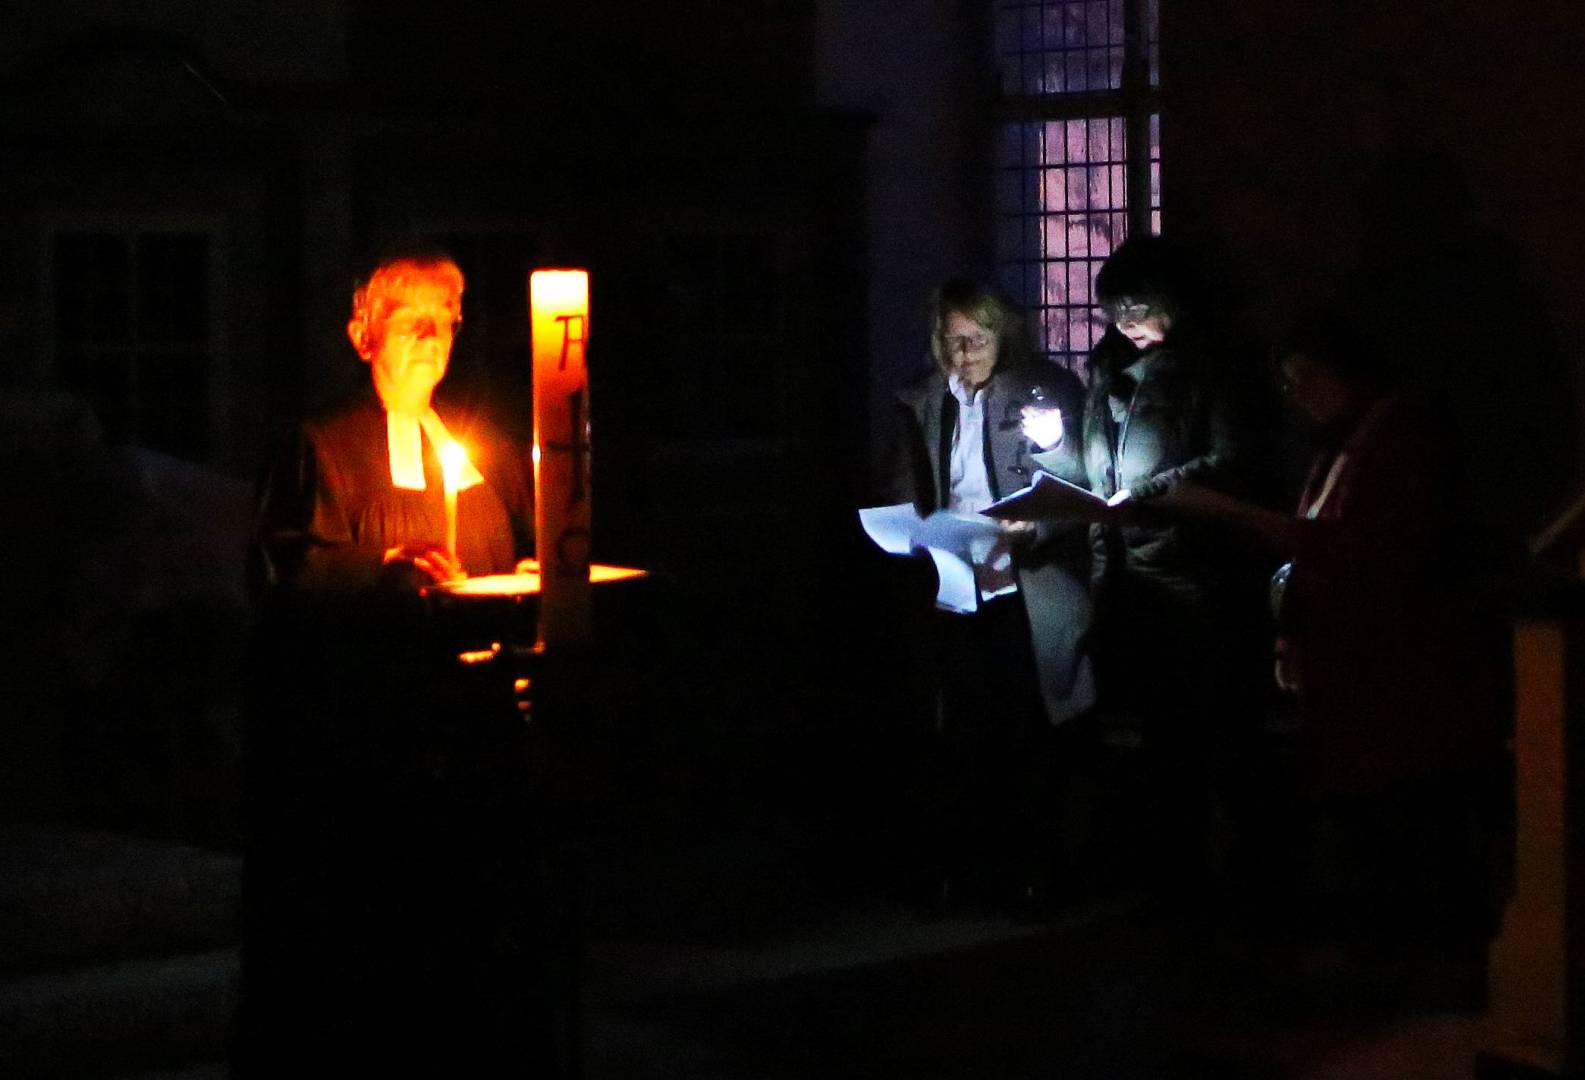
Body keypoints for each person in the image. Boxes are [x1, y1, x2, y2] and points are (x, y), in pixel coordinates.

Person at [240, 249, 560, 1074]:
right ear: (362, 335)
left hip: (472, 733)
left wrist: (532, 575)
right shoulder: (324, 443)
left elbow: (507, 551)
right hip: (368, 747)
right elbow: (289, 574)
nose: (428, 337)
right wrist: (380, 576)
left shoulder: (470, 446)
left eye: (443, 321)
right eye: (407, 319)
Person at [1152, 309, 1508, 985]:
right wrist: (1291, 633)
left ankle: (1415, 954)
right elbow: (1315, 538)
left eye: (1301, 379)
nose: (1292, 397)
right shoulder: (1337, 444)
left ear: (1342, 373)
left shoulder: (1396, 438)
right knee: (1355, 808)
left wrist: (1230, 513)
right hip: (1343, 662)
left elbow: (1359, 547)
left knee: (1400, 809)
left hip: (1393, 663)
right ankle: (1371, 946)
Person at [1057, 234, 1263, 904]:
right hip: (1122, 575)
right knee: (1151, 737)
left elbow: (1236, 458)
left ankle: (1229, 882)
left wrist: (1151, 494)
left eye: (1138, 306)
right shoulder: (1105, 369)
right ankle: (1160, 875)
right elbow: (1095, 462)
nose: (1124, 323)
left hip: (1194, 576)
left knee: (1216, 734)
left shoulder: (1214, 367)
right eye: (1113, 309)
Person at [877, 279, 1093, 918]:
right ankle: (971, 871)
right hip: (954, 587)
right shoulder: (923, 401)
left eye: (976, 338)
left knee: (1028, 731)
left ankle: (1038, 873)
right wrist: (910, 529)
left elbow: (1076, 481)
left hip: (1024, 587)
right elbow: (903, 485)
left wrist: (1036, 524)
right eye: (951, 338)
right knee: (964, 734)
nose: (962, 351)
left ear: (1004, 336)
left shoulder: (1040, 392)